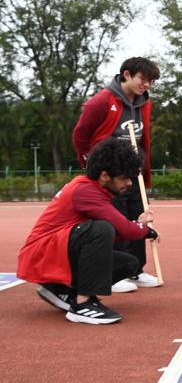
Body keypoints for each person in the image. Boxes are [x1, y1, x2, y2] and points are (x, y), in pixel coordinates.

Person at [17, 138, 159, 325]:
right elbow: (121, 229)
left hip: (51, 251)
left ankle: (60, 289)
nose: (130, 183)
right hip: (41, 255)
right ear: (105, 175)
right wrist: (145, 230)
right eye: (124, 177)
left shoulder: (91, 188)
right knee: (101, 229)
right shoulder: (85, 190)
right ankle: (83, 304)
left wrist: (138, 226)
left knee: (128, 263)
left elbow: (119, 230)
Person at [73, 56, 160, 293]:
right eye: (143, 79)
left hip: (134, 171)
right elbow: (80, 134)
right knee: (114, 218)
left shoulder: (144, 102)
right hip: (109, 175)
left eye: (151, 81)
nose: (147, 85)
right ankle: (114, 272)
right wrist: (89, 162)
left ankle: (136, 269)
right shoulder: (101, 101)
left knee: (139, 214)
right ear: (127, 74)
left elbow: (144, 136)